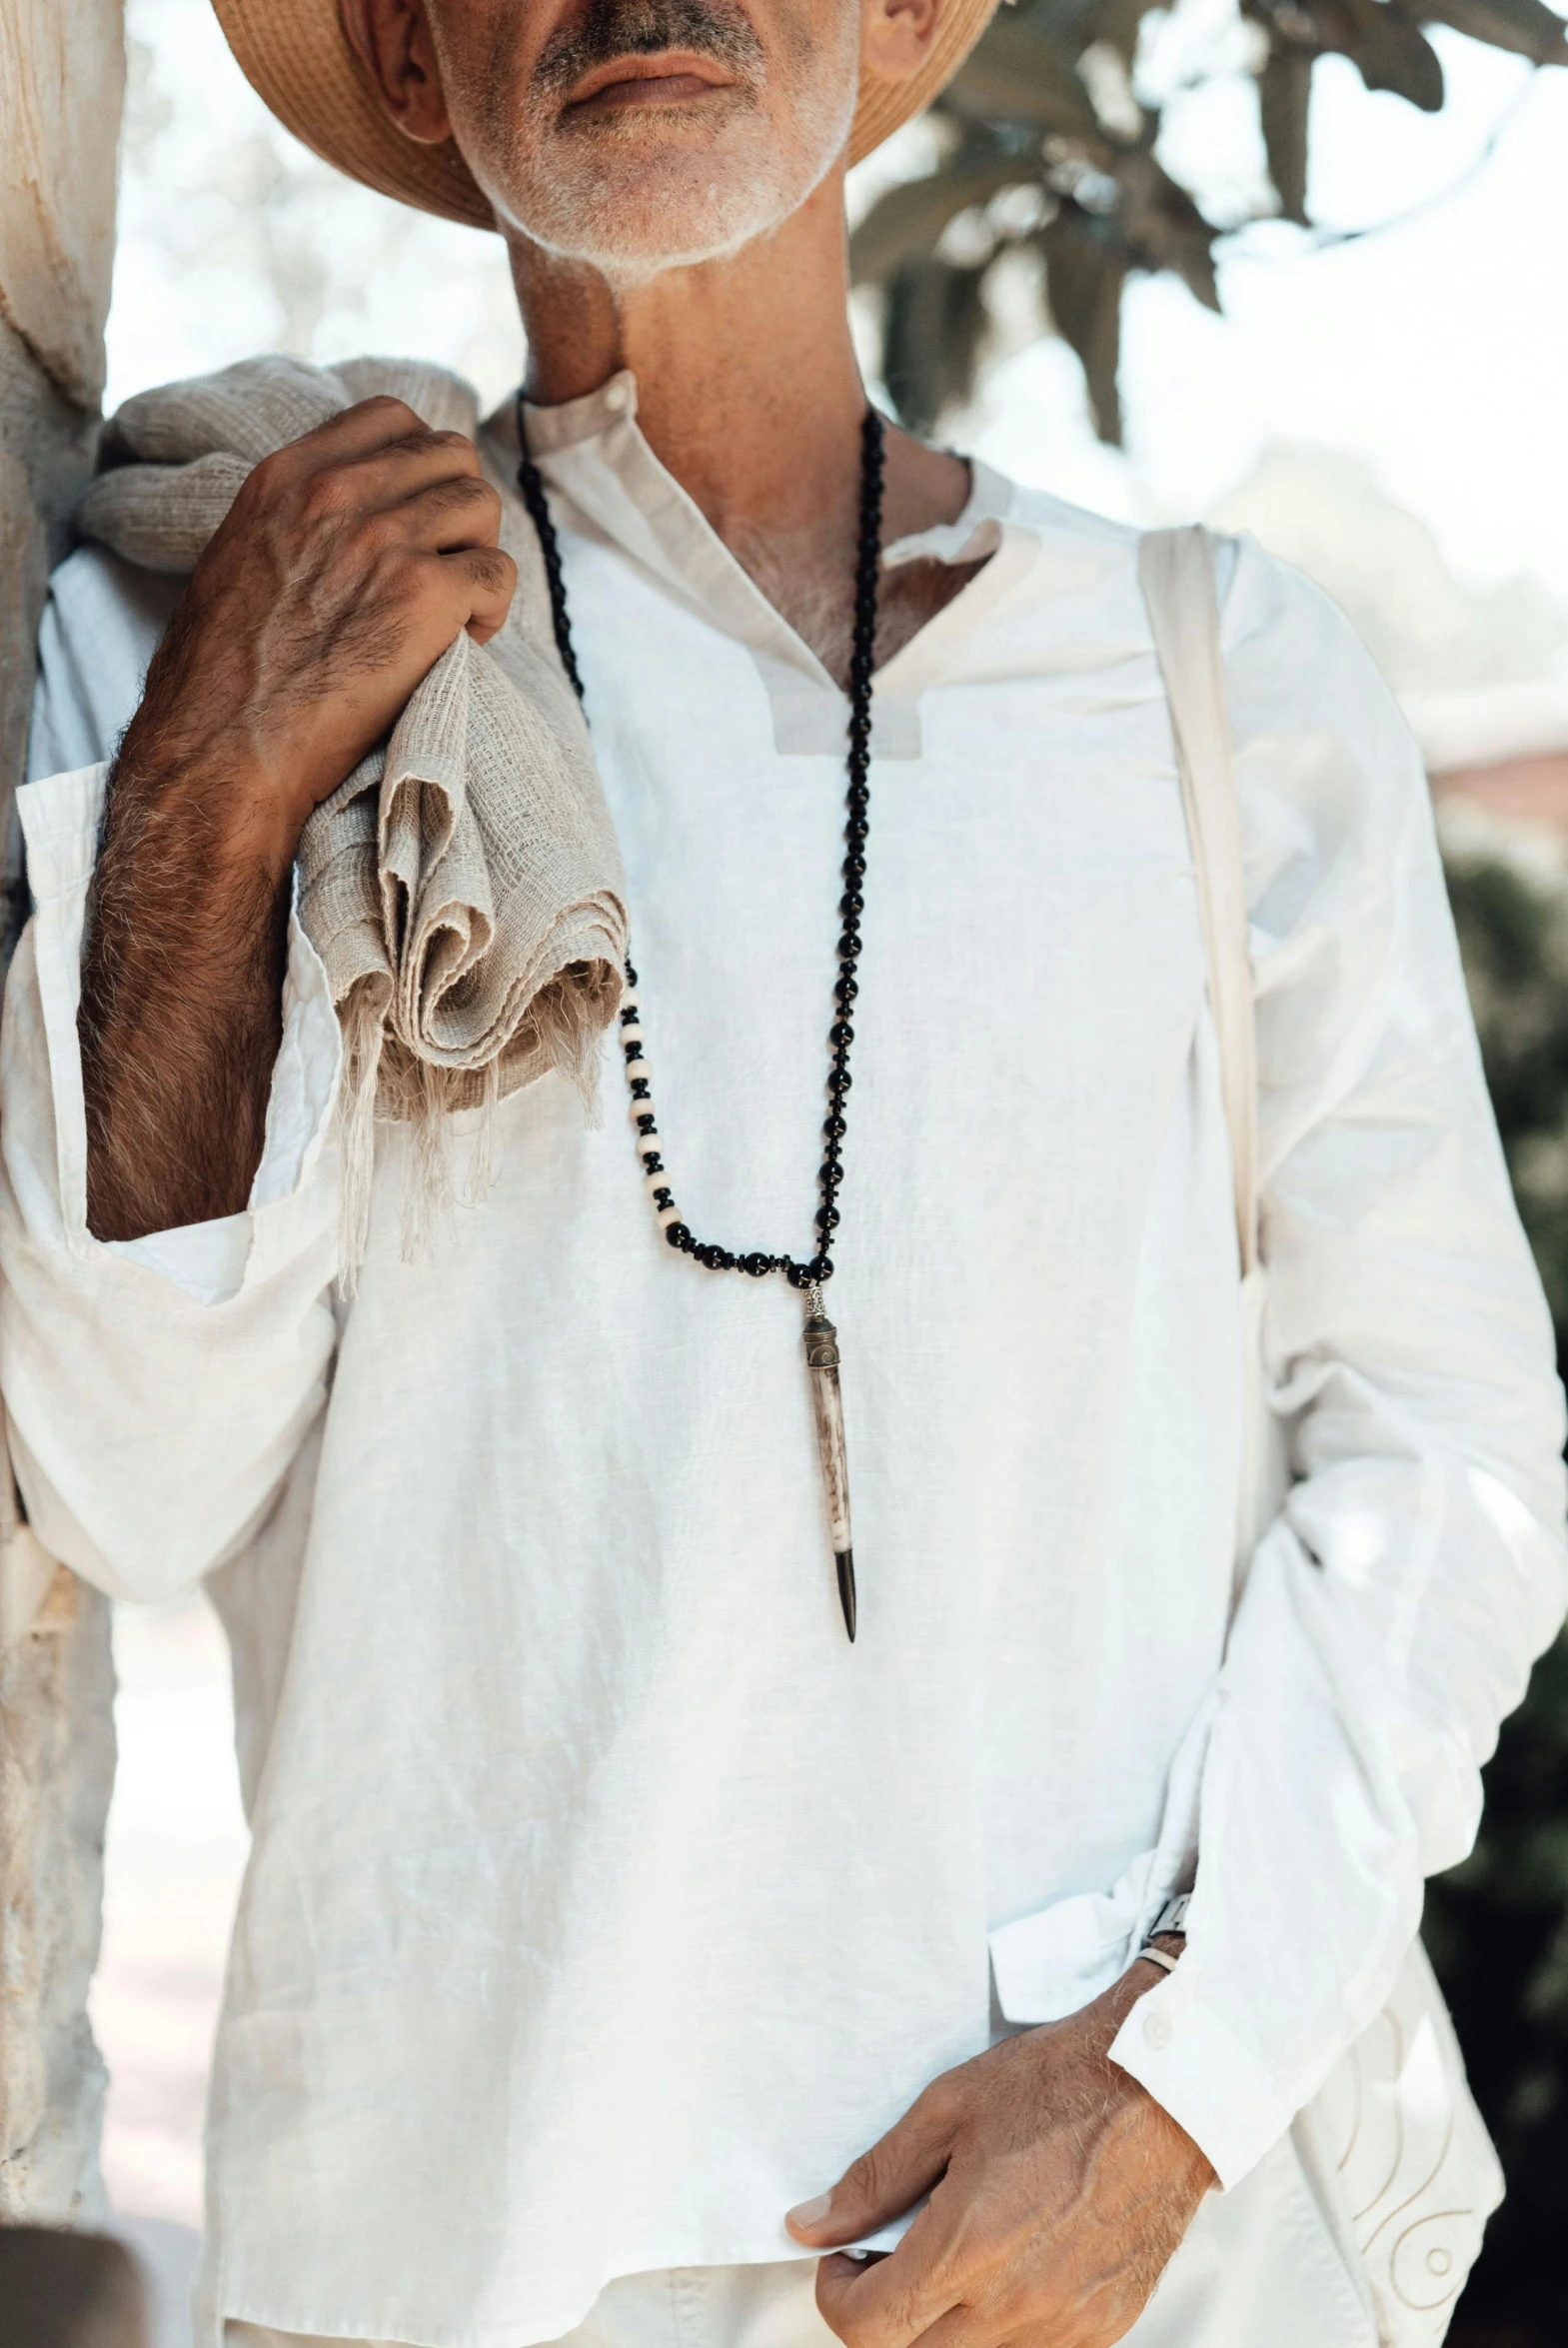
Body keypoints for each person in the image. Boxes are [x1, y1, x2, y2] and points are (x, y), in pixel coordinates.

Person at [3, 0, 1564, 2342]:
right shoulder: (241, 630)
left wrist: (1176, 2076)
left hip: (1138, 2263)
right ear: (420, 63)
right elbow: (120, 1476)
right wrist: (215, 793)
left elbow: (1449, 1452)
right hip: (470, 2268)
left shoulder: (1209, 678)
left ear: (909, 18)